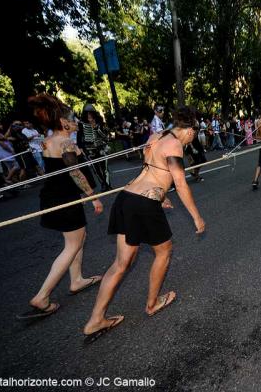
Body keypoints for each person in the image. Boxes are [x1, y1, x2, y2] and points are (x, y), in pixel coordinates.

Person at [83, 105, 206, 343]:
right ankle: (152, 303)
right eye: (194, 131)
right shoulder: (175, 145)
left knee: (121, 263)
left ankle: (95, 319)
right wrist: (196, 217)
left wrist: (162, 194)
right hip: (144, 205)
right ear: (190, 129)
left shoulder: (156, 136)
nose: (193, 136)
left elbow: (150, 168)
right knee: (164, 252)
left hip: (127, 198)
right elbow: (180, 183)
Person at [16, 95, 104, 319]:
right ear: (64, 123)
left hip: (54, 197)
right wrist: (93, 196)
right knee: (72, 245)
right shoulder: (65, 143)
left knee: (78, 239)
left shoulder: (49, 140)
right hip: (65, 200)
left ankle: (76, 280)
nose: (76, 121)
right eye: (73, 118)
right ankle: (42, 296)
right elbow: (75, 173)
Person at [78, 104, 111, 191]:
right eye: (87, 113)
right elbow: (79, 137)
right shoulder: (81, 124)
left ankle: (108, 184)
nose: (89, 115)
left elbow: (105, 136)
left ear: (94, 113)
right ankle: (103, 184)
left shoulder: (100, 122)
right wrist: (81, 148)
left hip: (102, 148)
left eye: (90, 113)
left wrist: (97, 128)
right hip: (89, 149)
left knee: (105, 168)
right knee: (96, 169)